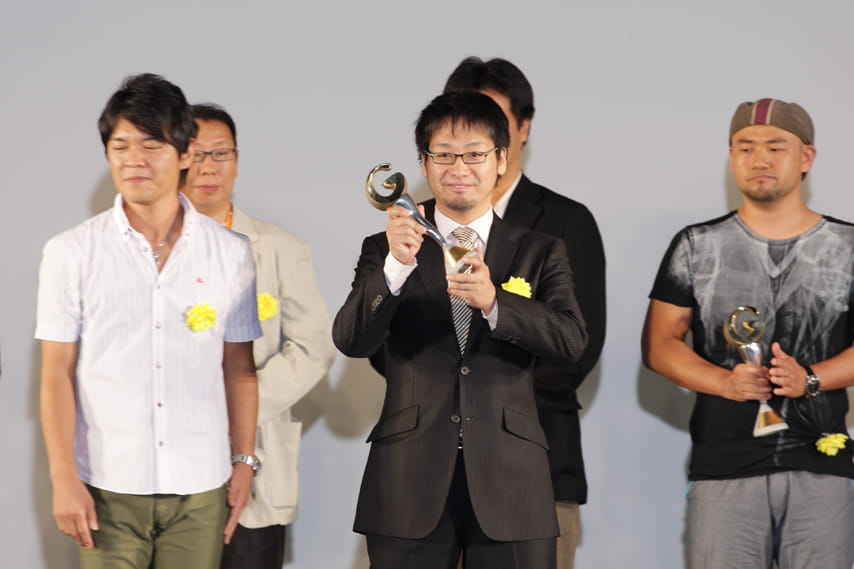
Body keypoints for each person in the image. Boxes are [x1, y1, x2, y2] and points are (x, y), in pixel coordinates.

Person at [333, 91, 587, 569]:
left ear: (501, 159)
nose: (459, 168)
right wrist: (395, 268)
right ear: (423, 164)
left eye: (474, 154)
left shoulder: (540, 250)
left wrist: (495, 303)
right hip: (408, 479)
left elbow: (570, 341)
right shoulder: (386, 247)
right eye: (444, 155)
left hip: (512, 480)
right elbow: (351, 339)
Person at [36, 74, 262, 569]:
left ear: (185, 153)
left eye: (151, 144)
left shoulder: (230, 253)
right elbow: (55, 373)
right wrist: (63, 477)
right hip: (106, 488)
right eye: (120, 146)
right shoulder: (71, 252)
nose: (133, 159)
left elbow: (239, 368)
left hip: (201, 487)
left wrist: (244, 461)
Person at [642, 98, 854, 568]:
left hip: (821, 465)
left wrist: (811, 378)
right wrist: (725, 382)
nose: (759, 159)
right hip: (724, 467)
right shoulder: (696, 246)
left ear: (806, 157)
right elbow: (659, 346)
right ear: (731, 156)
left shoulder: (848, 246)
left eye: (776, 147)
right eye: (745, 147)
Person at [444, 57, 606, 569]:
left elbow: (576, 348)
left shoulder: (564, 222)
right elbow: (388, 346)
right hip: (431, 472)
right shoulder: (418, 225)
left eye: (492, 120)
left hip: (535, 463)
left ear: (523, 127)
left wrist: (487, 401)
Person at [182, 103, 335, 569]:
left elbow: (313, 347)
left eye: (221, 153)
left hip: (254, 461)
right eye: (196, 154)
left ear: (237, 159)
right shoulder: (148, 249)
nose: (209, 167)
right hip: (171, 458)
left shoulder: (280, 248)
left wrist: (237, 406)